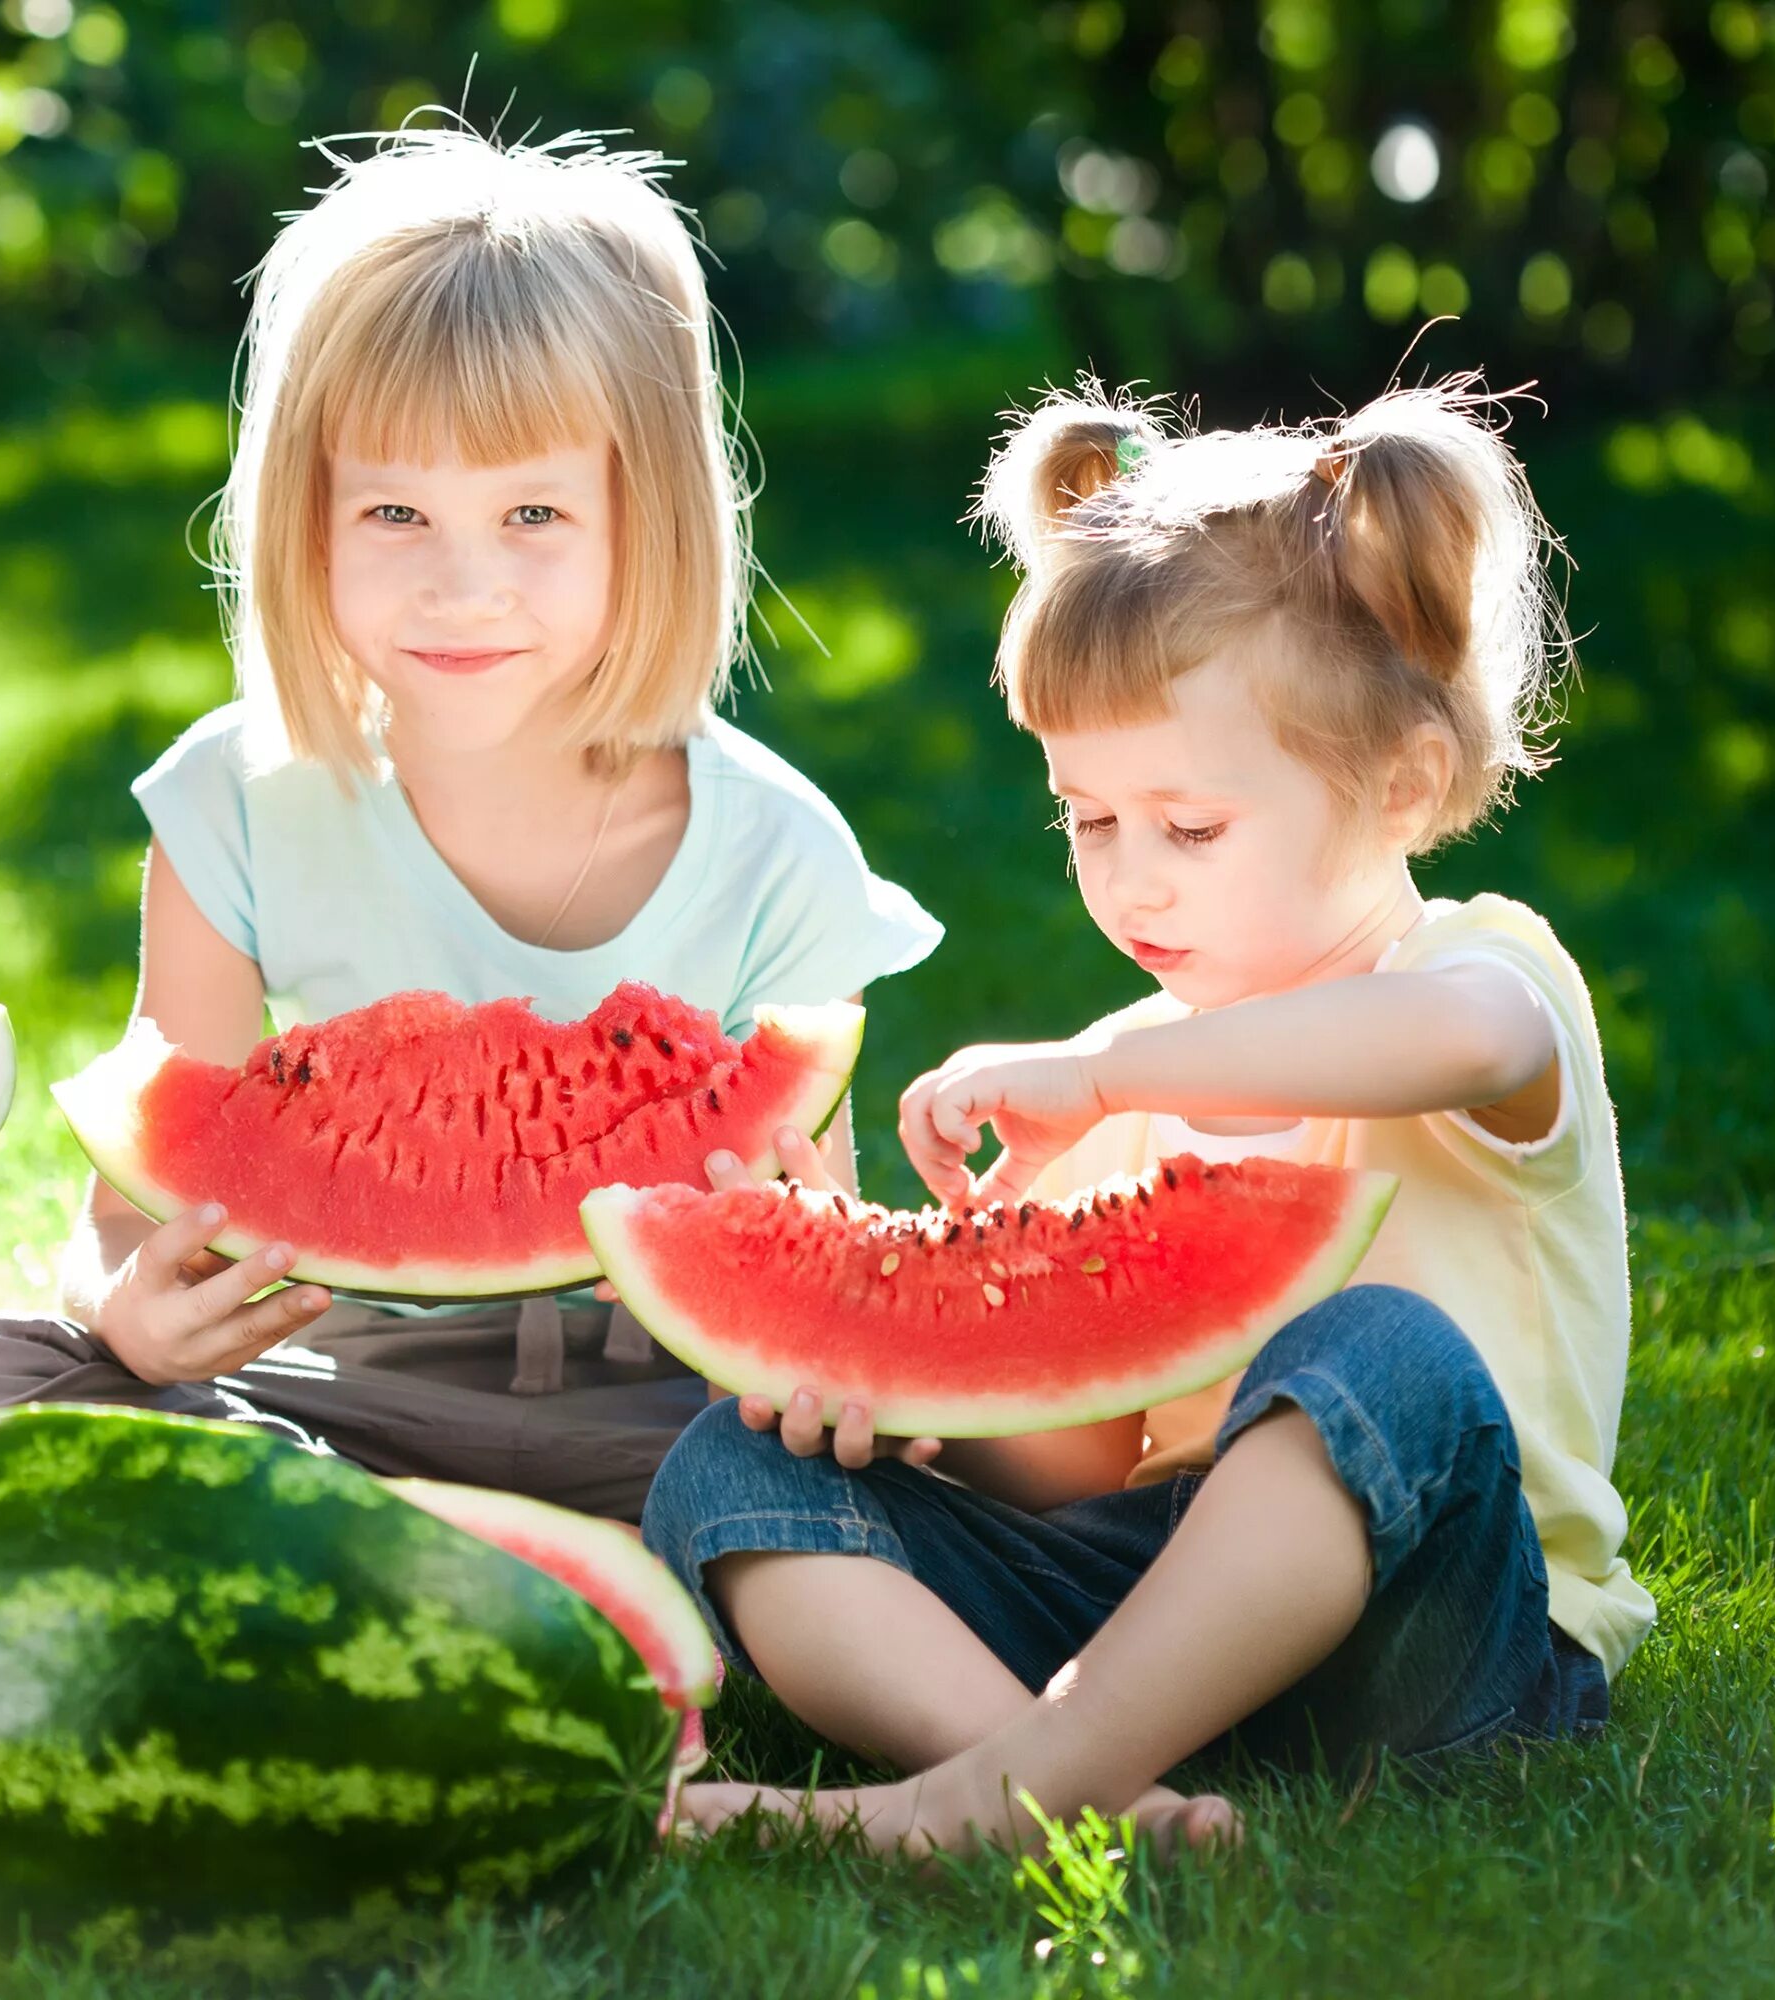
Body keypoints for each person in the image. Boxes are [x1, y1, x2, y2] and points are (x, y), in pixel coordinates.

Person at [643, 380, 1647, 1854]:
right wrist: (914, 1399)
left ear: (1402, 785)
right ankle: (1080, 1790)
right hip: (1145, 1619)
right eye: (1087, 819)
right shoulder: (1121, 1072)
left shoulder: (1481, 974)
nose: (1132, 878)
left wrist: (1112, 1078)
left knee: (1385, 1355)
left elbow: (1459, 1041)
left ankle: (983, 1799)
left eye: (1188, 825)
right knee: (723, 1473)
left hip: (1443, 1635)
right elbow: (1088, 1456)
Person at [0, 124, 940, 1520]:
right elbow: (129, 1221)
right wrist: (126, 1312)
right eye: (394, 510)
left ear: (655, 518)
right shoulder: (232, 806)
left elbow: (803, 1247)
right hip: (325, 1397)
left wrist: (830, 1344)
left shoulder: (780, 859)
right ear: (299, 517)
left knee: (901, 1460)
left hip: (674, 1426)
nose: (463, 587)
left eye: (532, 513)